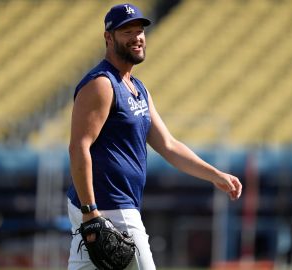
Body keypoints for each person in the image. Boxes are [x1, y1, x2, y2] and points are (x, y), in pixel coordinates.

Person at [66, 3, 242, 269]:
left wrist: (215, 175)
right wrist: (91, 212)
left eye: (140, 31)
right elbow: (79, 147)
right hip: (109, 208)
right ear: (108, 37)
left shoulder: (137, 88)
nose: (137, 37)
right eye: (127, 32)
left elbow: (169, 145)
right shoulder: (101, 84)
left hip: (110, 208)